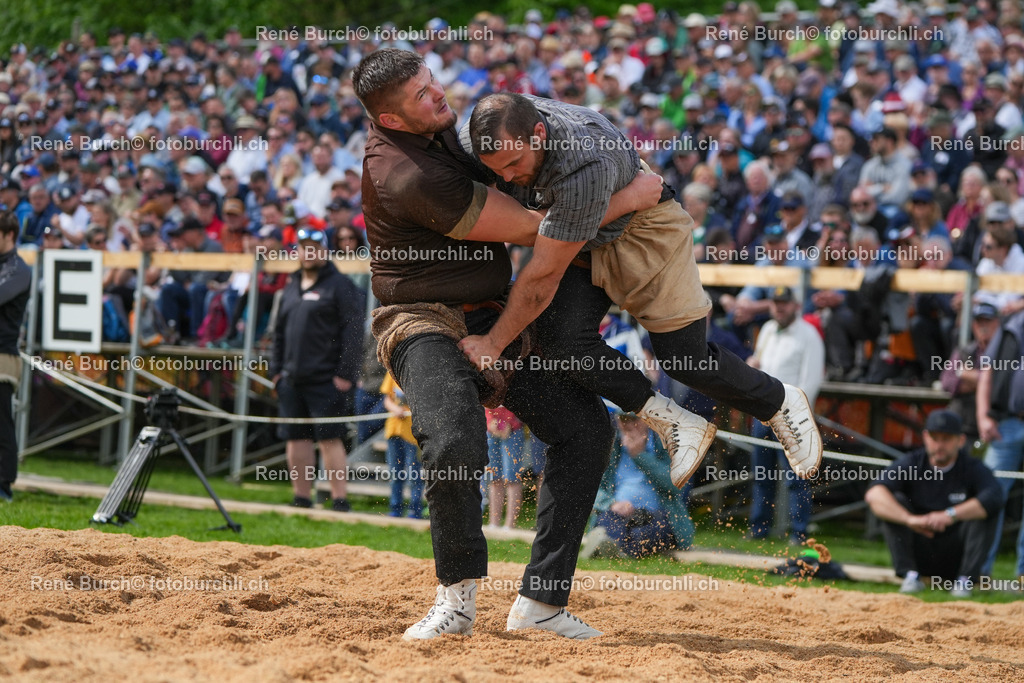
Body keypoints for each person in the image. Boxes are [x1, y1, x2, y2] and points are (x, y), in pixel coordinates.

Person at [354, 49, 663, 641]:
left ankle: (541, 604)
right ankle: (457, 599)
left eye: (431, 82)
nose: (438, 95)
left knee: (584, 430)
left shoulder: (449, 130)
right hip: (422, 318)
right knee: (453, 439)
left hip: (495, 317)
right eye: (420, 96)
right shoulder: (405, 172)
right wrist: (628, 196)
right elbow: (533, 229)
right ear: (389, 120)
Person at [459, 92, 823, 491]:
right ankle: (671, 420)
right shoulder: (479, 139)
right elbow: (540, 229)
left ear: (540, 134)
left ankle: (780, 402)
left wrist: (494, 342)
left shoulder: (584, 159)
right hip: (589, 236)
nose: (508, 177)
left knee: (684, 360)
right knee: (561, 338)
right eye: (498, 169)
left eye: (515, 164)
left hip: (644, 229)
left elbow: (540, 276)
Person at [270, 227, 365, 512]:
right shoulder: (291, 285)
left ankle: (339, 499)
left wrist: (345, 374)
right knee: (296, 438)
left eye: (313, 247)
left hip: (327, 379)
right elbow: (279, 332)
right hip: (291, 377)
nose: (308, 252)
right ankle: (301, 497)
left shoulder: (340, 285)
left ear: (324, 251)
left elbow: (353, 334)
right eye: (302, 247)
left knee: (329, 437)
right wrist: (276, 372)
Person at [865, 410, 1004, 598]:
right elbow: (875, 494)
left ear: (960, 441)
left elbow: (995, 496)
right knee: (894, 501)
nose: (939, 444)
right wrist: (910, 520)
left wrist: (950, 515)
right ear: (925, 437)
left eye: (946, 438)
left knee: (986, 510)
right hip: (920, 544)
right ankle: (910, 576)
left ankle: (965, 581)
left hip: (957, 551)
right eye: (934, 437)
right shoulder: (912, 462)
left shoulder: (972, 467)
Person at [746, 286, 825, 544]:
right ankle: (760, 528)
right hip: (763, 413)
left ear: (796, 305)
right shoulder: (768, 330)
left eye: (784, 303)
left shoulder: (809, 335)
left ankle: (799, 532)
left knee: (796, 478)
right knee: (762, 475)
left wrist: (799, 417)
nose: (779, 307)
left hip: (791, 417)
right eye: (776, 303)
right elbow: (759, 366)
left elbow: (811, 382)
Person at [581, 413, 694, 559]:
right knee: (608, 523)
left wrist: (640, 455)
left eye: (634, 419)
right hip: (618, 513)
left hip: (659, 514)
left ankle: (612, 547)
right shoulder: (609, 444)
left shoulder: (669, 440)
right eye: (623, 419)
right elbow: (591, 487)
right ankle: (617, 547)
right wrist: (611, 504)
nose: (628, 424)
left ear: (647, 420)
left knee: (644, 533)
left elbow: (675, 485)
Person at [976, 306, 1024, 583]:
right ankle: (979, 570)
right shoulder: (1010, 327)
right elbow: (987, 372)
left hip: (1007, 424)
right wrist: (983, 415)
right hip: (1005, 423)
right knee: (990, 496)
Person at [0, 210, 31, 502]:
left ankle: (4, 483)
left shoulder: (19, 269)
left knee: (1, 419)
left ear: (9, 234)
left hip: (3, 354)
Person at [380, 372, 424, 519]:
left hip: (413, 433)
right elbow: (387, 400)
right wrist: (395, 409)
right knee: (395, 472)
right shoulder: (391, 372)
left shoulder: (421, 372)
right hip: (394, 430)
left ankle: (415, 508)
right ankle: (395, 508)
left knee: (414, 473)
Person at [483, 405, 526, 530]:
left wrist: (509, 422)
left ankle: (509, 525)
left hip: (513, 430)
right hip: (491, 428)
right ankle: (494, 523)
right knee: (494, 478)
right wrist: (490, 420)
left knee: (512, 478)